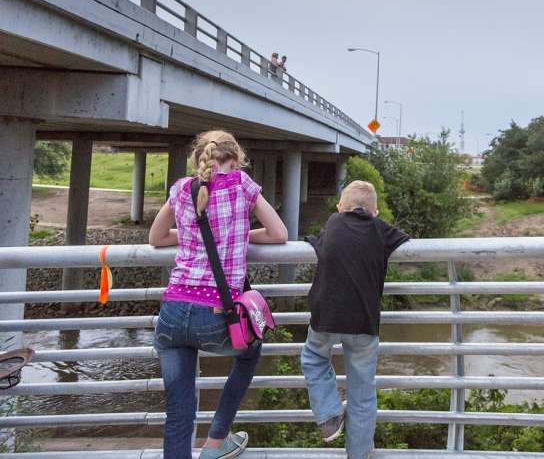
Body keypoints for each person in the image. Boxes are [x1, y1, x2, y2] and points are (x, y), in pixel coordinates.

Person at [149, 130, 288, 459]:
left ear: (198, 159)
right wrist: (241, 234)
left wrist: (189, 235)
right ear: (237, 160)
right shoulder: (242, 185)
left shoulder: (182, 189)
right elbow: (279, 233)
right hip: (213, 316)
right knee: (250, 352)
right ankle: (216, 442)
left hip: (172, 311)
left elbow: (155, 237)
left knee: (178, 411)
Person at [300, 180, 409, 459]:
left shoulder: (333, 223)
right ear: (375, 212)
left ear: (340, 207)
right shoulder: (379, 229)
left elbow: (316, 243)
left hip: (325, 317)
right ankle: (359, 453)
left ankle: (330, 415)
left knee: (313, 358)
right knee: (362, 391)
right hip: (364, 321)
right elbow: (403, 239)